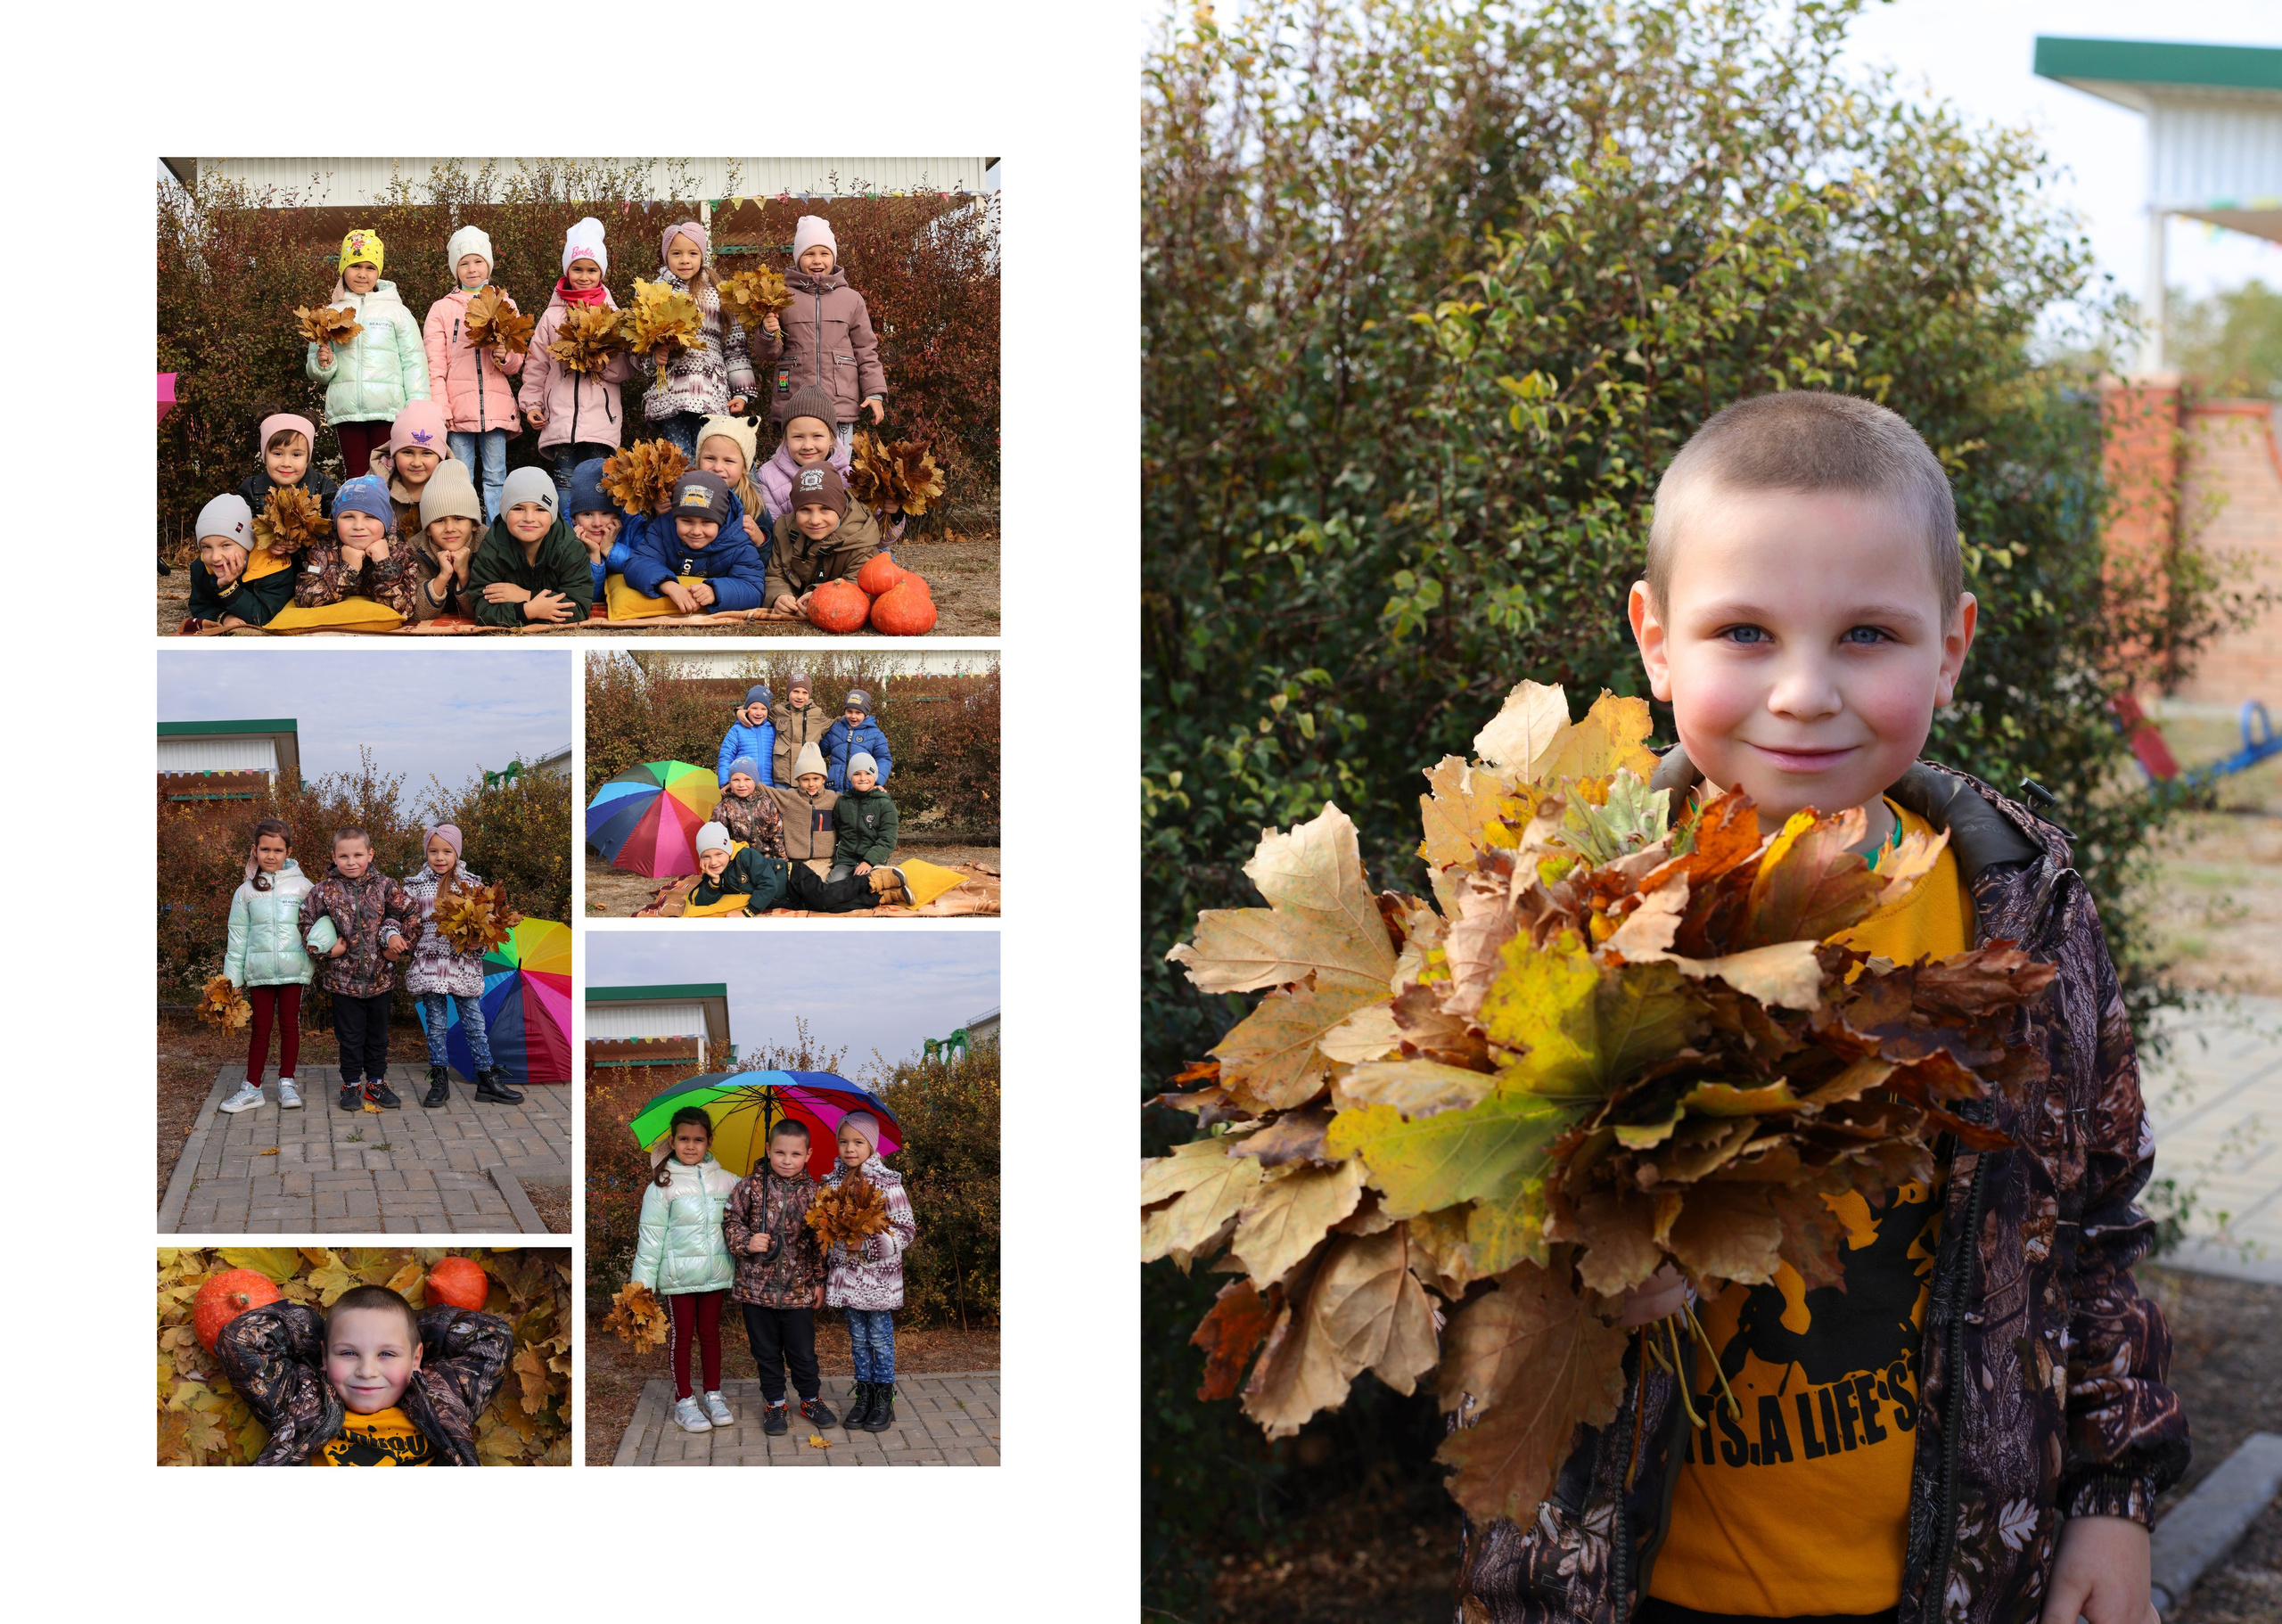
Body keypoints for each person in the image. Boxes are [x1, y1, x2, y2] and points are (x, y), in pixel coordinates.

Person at [1457, 390, 2189, 1624]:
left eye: (1866, 635)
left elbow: (2097, 1221)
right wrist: (1585, 1261)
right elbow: (1432, 1220)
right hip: (1631, 1588)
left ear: (1951, 647)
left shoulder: (2018, 908)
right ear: (1656, 640)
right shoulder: (1564, 904)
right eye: (1744, 630)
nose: (1803, 691)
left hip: (1956, 1584)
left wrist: (2112, 1499)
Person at [214, 1282, 512, 1466]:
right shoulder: (301, 1400)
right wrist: (328, 1327)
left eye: (387, 1353)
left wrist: (402, 1324)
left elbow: (492, 1336)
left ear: (417, 1357)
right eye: (348, 1353)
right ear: (324, 1357)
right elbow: (241, 1339)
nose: (367, 1371)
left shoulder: (443, 1397)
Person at [630, 1106, 741, 1434]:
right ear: (673, 1140)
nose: (690, 1146)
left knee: (710, 1335)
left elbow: (745, 1218)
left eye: (698, 1139)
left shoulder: (728, 1180)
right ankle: (684, 1401)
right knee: (682, 1338)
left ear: (709, 1142)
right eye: (683, 1139)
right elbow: (650, 1242)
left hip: (715, 1276)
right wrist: (641, 1291)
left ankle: (713, 1394)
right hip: (678, 1279)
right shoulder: (662, 1186)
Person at [723, 1119, 838, 1434]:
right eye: (780, 1152)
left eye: (795, 1154)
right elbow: (731, 1222)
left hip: (798, 1290)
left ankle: (810, 1399)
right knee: (765, 1351)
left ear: (808, 1155)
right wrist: (747, 1242)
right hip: (755, 1290)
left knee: (802, 1351)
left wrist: (819, 1282)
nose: (787, 1160)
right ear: (768, 1150)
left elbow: (821, 1244)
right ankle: (774, 1403)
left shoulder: (818, 1193)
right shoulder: (749, 1186)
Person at [218, 818, 335, 1113]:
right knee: (260, 1028)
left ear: (288, 852)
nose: (271, 856)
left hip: (294, 969)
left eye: (278, 850)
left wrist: (322, 945)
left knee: (289, 1027)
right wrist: (231, 982)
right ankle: (252, 1088)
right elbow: (237, 938)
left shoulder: (303, 887)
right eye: (265, 849)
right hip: (258, 973)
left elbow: (321, 923)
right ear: (254, 850)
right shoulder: (245, 892)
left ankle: (286, 1082)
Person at [401, 823, 521, 1109]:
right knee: (436, 1025)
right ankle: (439, 1080)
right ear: (426, 853)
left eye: (446, 851)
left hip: (463, 965)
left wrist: (475, 942)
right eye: (433, 851)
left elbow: (487, 926)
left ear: (457, 853)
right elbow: (407, 923)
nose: (439, 857)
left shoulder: (473, 887)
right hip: (431, 964)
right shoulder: (414, 887)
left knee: (474, 1023)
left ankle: (486, 1078)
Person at [299, 824, 416, 1112]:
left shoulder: (385, 886)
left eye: (358, 855)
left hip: (380, 979)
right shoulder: (323, 890)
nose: (351, 862)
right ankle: (350, 1084)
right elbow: (304, 923)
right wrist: (328, 952)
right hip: (342, 982)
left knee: (378, 1036)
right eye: (344, 856)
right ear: (334, 856)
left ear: (370, 854)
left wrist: (399, 947)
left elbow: (411, 912)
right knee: (349, 1038)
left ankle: (376, 1083)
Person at [751, 216, 887, 449]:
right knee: (797, 471)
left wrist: (875, 393)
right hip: (794, 401)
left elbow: (866, 350)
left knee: (838, 472)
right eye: (809, 253)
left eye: (824, 253)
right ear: (797, 258)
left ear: (833, 257)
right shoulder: (781, 297)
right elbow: (770, 353)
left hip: (840, 403)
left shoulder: (851, 299)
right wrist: (766, 331)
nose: (817, 260)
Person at [304, 227, 429, 478]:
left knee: (386, 475)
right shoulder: (328, 313)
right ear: (343, 268)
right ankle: (358, 516)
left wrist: (418, 409)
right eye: (355, 266)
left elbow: (414, 360)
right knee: (356, 473)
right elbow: (317, 371)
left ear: (379, 271)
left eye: (370, 267)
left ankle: (387, 518)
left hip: (388, 409)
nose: (362, 274)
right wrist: (324, 365)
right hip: (346, 409)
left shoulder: (397, 312)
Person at [521, 217, 632, 492]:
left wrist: (600, 364)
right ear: (567, 270)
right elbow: (537, 364)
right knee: (565, 489)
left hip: (600, 422)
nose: (584, 276)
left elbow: (625, 369)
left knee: (597, 491)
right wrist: (533, 405)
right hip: (559, 419)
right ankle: (568, 535)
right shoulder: (552, 316)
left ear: (601, 273)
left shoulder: (613, 316)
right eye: (577, 268)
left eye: (592, 270)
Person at [422, 225, 523, 521]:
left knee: (496, 476)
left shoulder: (505, 304)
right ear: (455, 269)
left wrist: (506, 356)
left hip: (495, 407)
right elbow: (435, 362)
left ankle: (496, 535)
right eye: (464, 263)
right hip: (457, 409)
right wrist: (441, 406)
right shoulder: (441, 309)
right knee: (459, 477)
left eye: (478, 261)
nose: (472, 268)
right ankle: (466, 533)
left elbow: (518, 362)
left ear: (488, 264)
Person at [821, 1111, 915, 1432]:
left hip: (878, 1282)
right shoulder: (831, 1183)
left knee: (880, 1339)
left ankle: (883, 1399)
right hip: (848, 1281)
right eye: (843, 1141)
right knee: (858, 1341)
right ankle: (863, 1396)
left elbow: (905, 1231)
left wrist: (867, 1243)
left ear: (872, 1145)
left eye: (858, 1142)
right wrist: (836, 1240)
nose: (850, 1148)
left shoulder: (888, 1183)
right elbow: (825, 1229)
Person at [632, 219, 752, 457]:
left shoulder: (718, 293)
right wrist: (654, 358)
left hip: (711, 392)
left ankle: (707, 495)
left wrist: (741, 391)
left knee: (707, 455)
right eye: (677, 253)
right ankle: (681, 495)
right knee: (678, 457)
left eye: (692, 253)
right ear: (666, 255)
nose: (685, 260)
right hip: (671, 394)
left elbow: (735, 346)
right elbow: (637, 347)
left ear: (702, 255)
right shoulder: (654, 293)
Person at [620, 470, 769, 615]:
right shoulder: (662, 529)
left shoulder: (739, 542)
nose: (696, 531)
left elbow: (753, 589)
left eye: (706, 522)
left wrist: (716, 591)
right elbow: (637, 563)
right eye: (687, 521)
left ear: (722, 520)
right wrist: (667, 585)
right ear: (675, 517)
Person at [685, 821, 907, 915]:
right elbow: (699, 900)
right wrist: (713, 881)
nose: (714, 861)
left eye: (718, 854)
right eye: (707, 856)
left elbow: (769, 884)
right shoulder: (714, 875)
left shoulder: (746, 856)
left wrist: (748, 913)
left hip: (793, 878)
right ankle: (884, 896)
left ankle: (877, 878)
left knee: (826, 897)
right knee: (830, 909)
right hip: (790, 900)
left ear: (728, 850)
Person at [467, 466, 594, 626]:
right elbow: (483, 611)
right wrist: (526, 611)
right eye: (518, 508)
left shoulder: (570, 548)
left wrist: (527, 596)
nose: (529, 518)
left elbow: (579, 607)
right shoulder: (492, 548)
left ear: (552, 514)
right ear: (505, 512)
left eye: (540, 509)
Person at [763, 463, 883, 620]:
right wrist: (780, 596)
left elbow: (858, 586)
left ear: (840, 507)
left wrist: (820, 596)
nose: (815, 520)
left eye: (825, 509)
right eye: (805, 510)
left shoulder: (860, 541)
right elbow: (775, 575)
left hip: (833, 603)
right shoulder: (784, 530)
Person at [293, 474, 419, 618]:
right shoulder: (322, 550)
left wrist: (384, 565)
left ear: (385, 521)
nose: (359, 526)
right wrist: (348, 571)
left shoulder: (400, 552)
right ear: (336, 521)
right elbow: (304, 597)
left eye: (370, 517)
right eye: (348, 517)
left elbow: (403, 610)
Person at [183, 494, 297, 632]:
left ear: (247, 545)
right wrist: (224, 618)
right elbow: (200, 606)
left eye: (225, 545)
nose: (215, 557)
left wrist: (229, 588)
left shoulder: (274, 567)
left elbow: (262, 618)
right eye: (207, 547)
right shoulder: (200, 568)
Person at [754, 386, 852, 527]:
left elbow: (874, 532)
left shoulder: (849, 476)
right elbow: (773, 528)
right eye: (798, 437)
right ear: (786, 439)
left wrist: (894, 516)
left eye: (817, 436)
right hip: (792, 547)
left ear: (832, 439)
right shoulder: (768, 476)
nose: (807, 445)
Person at [409, 459, 484, 620]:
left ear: (474, 524)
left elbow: (482, 612)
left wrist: (464, 573)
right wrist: (443, 576)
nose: (449, 528)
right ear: (428, 529)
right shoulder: (415, 548)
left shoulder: (487, 543)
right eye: (439, 520)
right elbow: (418, 614)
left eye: (458, 518)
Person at [235, 411, 339, 520]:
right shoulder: (251, 489)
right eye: (278, 454)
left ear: (307, 459)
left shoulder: (323, 488)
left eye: (296, 455)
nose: (286, 463)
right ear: (265, 456)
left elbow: (338, 523)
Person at [374, 400, 454, 539]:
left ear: (441, 457)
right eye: (407, 452)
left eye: (427, 453)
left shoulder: (456, 491)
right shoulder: (374, 488)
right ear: (394, 454)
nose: (416, 463)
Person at [693, 414, 770, 552]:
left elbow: (769, 557)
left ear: (745, 467)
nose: (717, 468)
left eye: (728, 461)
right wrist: (657, 513)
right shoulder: (685, 493)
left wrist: (761, 540)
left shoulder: (754, 504)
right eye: (710, 458)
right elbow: (660, 538)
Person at [763, 742, 841, 881]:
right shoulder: (790, 798)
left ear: (824, 779)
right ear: (798, 780)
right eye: (805, 779)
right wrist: (734, 781)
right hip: (797, 862)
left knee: (817, 889)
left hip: (824, 861)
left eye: (816, 779)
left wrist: (876, 789)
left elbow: (856, 799)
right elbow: (765, 790)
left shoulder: (833, 799)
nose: (811, 784)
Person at [567, 458, 633, 602]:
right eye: (587, 514)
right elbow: (587, 599)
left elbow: (645, 569)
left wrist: (610, 549)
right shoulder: (563, 539)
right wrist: (594, 555)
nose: (597, 523)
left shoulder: (633, 527)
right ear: (574, 518)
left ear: (618, 514)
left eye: (605, 513)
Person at [833, 753, 899, 882]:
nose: (863, 778)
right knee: (833, 886)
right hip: (846, 860)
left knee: (868, 887)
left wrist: (869, 861)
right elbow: (838, 831)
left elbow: (888, 839)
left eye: (868, 773)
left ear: (875, 776)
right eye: (857, 774)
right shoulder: (842, 802)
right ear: (850, 776)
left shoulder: (884, 804)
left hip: (873, 861)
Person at [820, 689, 893, 792]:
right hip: (833, 789)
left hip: (860, 789)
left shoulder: (875, 735)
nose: (853, 716)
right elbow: (820, 752)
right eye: (849, 711)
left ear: (866, 714)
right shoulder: (835, 729)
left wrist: (876, 782)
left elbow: (883, 759)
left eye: (858, 712)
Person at [771, 671, 830, 789]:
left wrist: (860, 715)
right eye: (795, 691)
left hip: (808, 778)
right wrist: (741, 711)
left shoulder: (816, 714)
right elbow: (757, 710)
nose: (800, 696)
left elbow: (836, 723)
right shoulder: (778, 711)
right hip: (783, 778)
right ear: (788, 693)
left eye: (805, 692)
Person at [711, 759, 784, 852]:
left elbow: (776, 833)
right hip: (739, 859)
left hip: (766, 857)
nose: (741, 784)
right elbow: (716, 837)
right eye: (736, 780)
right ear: (730, 782)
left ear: (755, 781)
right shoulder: (724, 807)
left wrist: (781, 860)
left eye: (747, 779)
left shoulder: (766, 803)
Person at [718, 688, 776, 787]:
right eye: (754, 708)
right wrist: (725, 783)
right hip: (743, 787)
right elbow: (726, 757)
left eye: (763, 709)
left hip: (768, 788)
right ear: (746, 709)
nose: (759, 713)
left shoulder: (773, 730)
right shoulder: (737, 730)